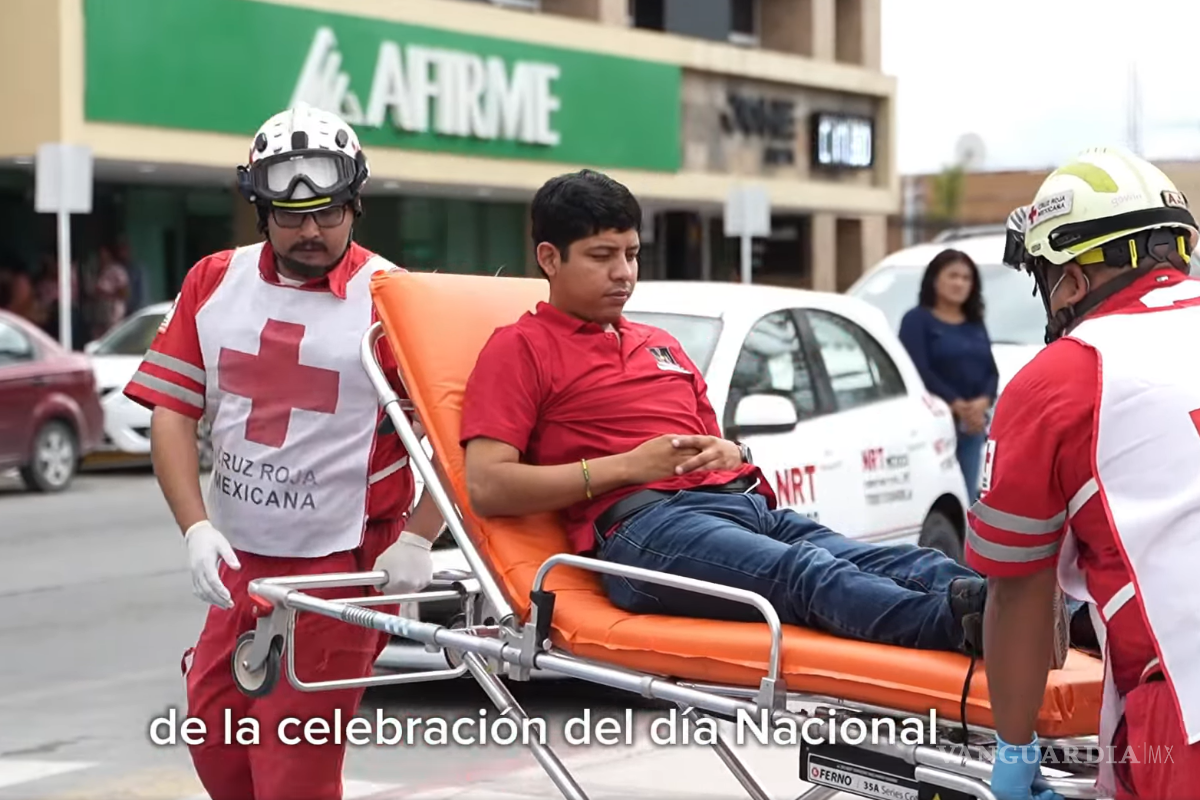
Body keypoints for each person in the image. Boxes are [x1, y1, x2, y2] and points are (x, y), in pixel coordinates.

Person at [458, 168, 1068, 659]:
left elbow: (709, 445)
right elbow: (487, 485)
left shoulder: (660, 344)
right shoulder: (520, 348)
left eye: (632, 254)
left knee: (899, 559)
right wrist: (623, 467)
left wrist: (735, 453)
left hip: (736, 507)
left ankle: (1041, 613)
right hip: (643, 533)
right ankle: (986, 629)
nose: (624, 273)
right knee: (808, 575)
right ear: (549, 258)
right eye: (601, 256)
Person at [123, 102, 444, 800]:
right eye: (290, 215)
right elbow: (173, 411)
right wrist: (195, 527)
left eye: (328, 213)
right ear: (260, 210)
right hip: (239, 560)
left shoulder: (393, 299)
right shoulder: (213, 281)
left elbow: (457, 441)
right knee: (216, 746)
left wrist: (418, 539)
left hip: (340, 568)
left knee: (292, 772)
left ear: (356, 206)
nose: (310, 230)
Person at [966, 146, 1200, 800]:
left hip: (1185, 709)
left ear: (1069, 280)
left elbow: (1016, 595)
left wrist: (1014, 751)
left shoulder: (1063, 378)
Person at [898, 249, 999, 502]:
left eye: (966, 278)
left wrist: (982, 403)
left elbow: (991, 371)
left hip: (972, 426)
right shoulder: (917, 320)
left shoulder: (974, 322)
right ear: (935, 279)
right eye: (953, 276)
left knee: (968, 498)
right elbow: (918, 369)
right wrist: (955, 404)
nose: (960, 283)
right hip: (935, 426)